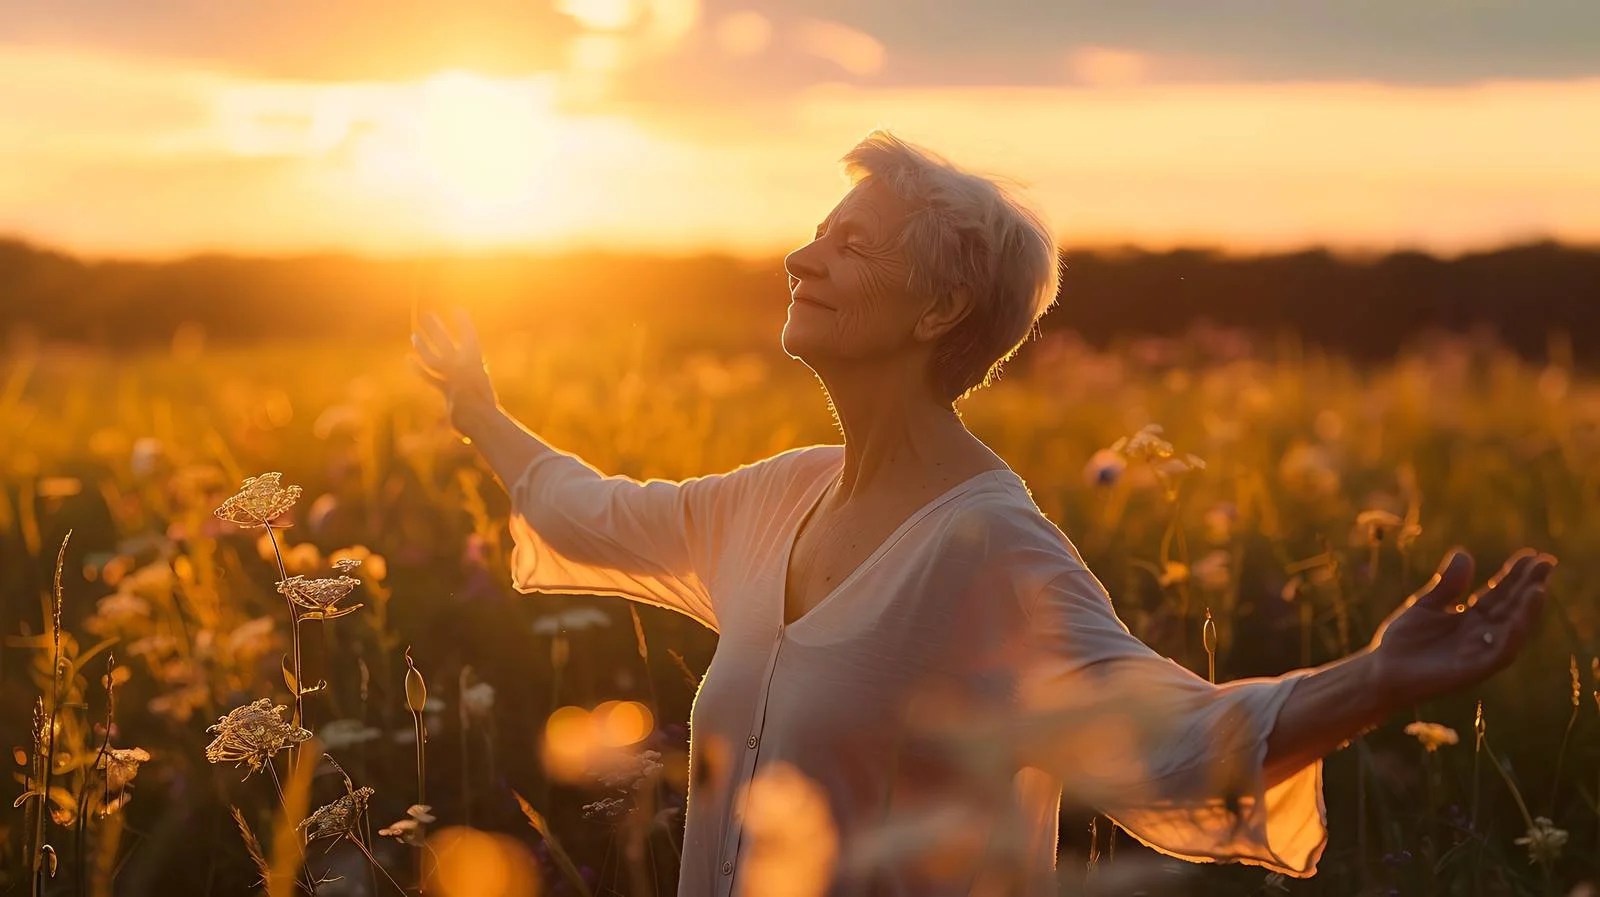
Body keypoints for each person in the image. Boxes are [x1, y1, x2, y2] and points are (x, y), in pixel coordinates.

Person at [410, 130, 1556, 896]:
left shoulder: (988, 547)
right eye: (817, 232)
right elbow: (595, 513)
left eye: (849, 244)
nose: (801, 256)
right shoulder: (779, 494)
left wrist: (1375, 679)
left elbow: (1162, 736)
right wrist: (478, 412)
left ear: (941, 306)